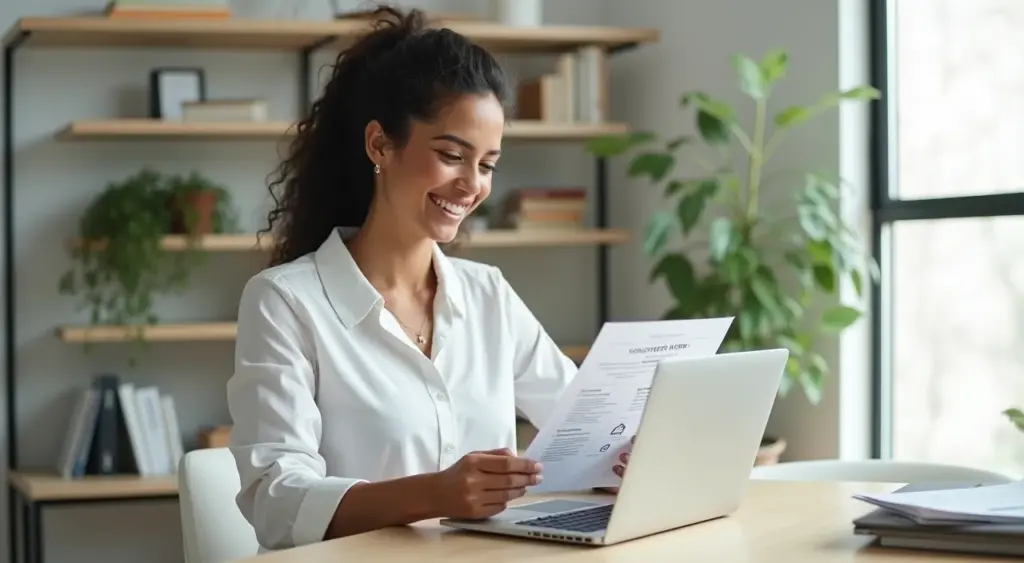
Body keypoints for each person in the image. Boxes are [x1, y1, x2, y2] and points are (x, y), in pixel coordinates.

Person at [225, 5, 630, 552]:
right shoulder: (285, 302)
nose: (471, 185)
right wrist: (435, 494)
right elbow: (277, 502)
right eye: (451, 155)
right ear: (380, 145)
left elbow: (583, 424)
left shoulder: (487, 293)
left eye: (487, 164)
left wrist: (621, 456)